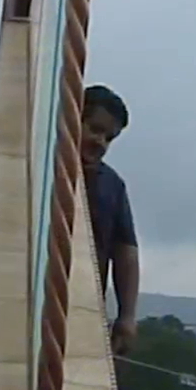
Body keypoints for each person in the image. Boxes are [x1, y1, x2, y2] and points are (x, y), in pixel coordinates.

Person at [83, 84, 140, 355]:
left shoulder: (112, 185)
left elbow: (125, 249)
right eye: (94, 130)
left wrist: (127, 316)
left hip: (84, 307)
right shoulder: (29, 165)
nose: (101, 143)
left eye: (109, 138)